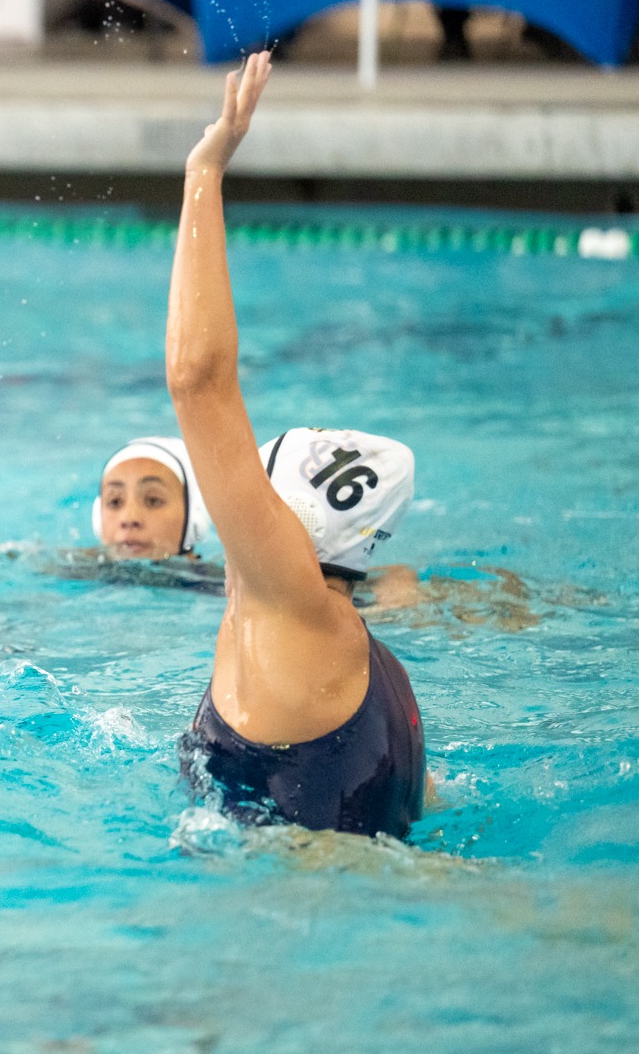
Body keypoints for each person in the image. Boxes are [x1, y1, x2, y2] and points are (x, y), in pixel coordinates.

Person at [162, 54, 426, 839]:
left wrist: (202, 174)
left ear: (282, 519)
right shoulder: (366, 658)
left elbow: (198, 380)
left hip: (295, 920)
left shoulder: (289, 611)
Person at [93, 436, 213, 561]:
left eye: (153, 501)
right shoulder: (75, 569)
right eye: (115, 502)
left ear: (195, 515)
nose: (129, 519)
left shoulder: (221, 579)